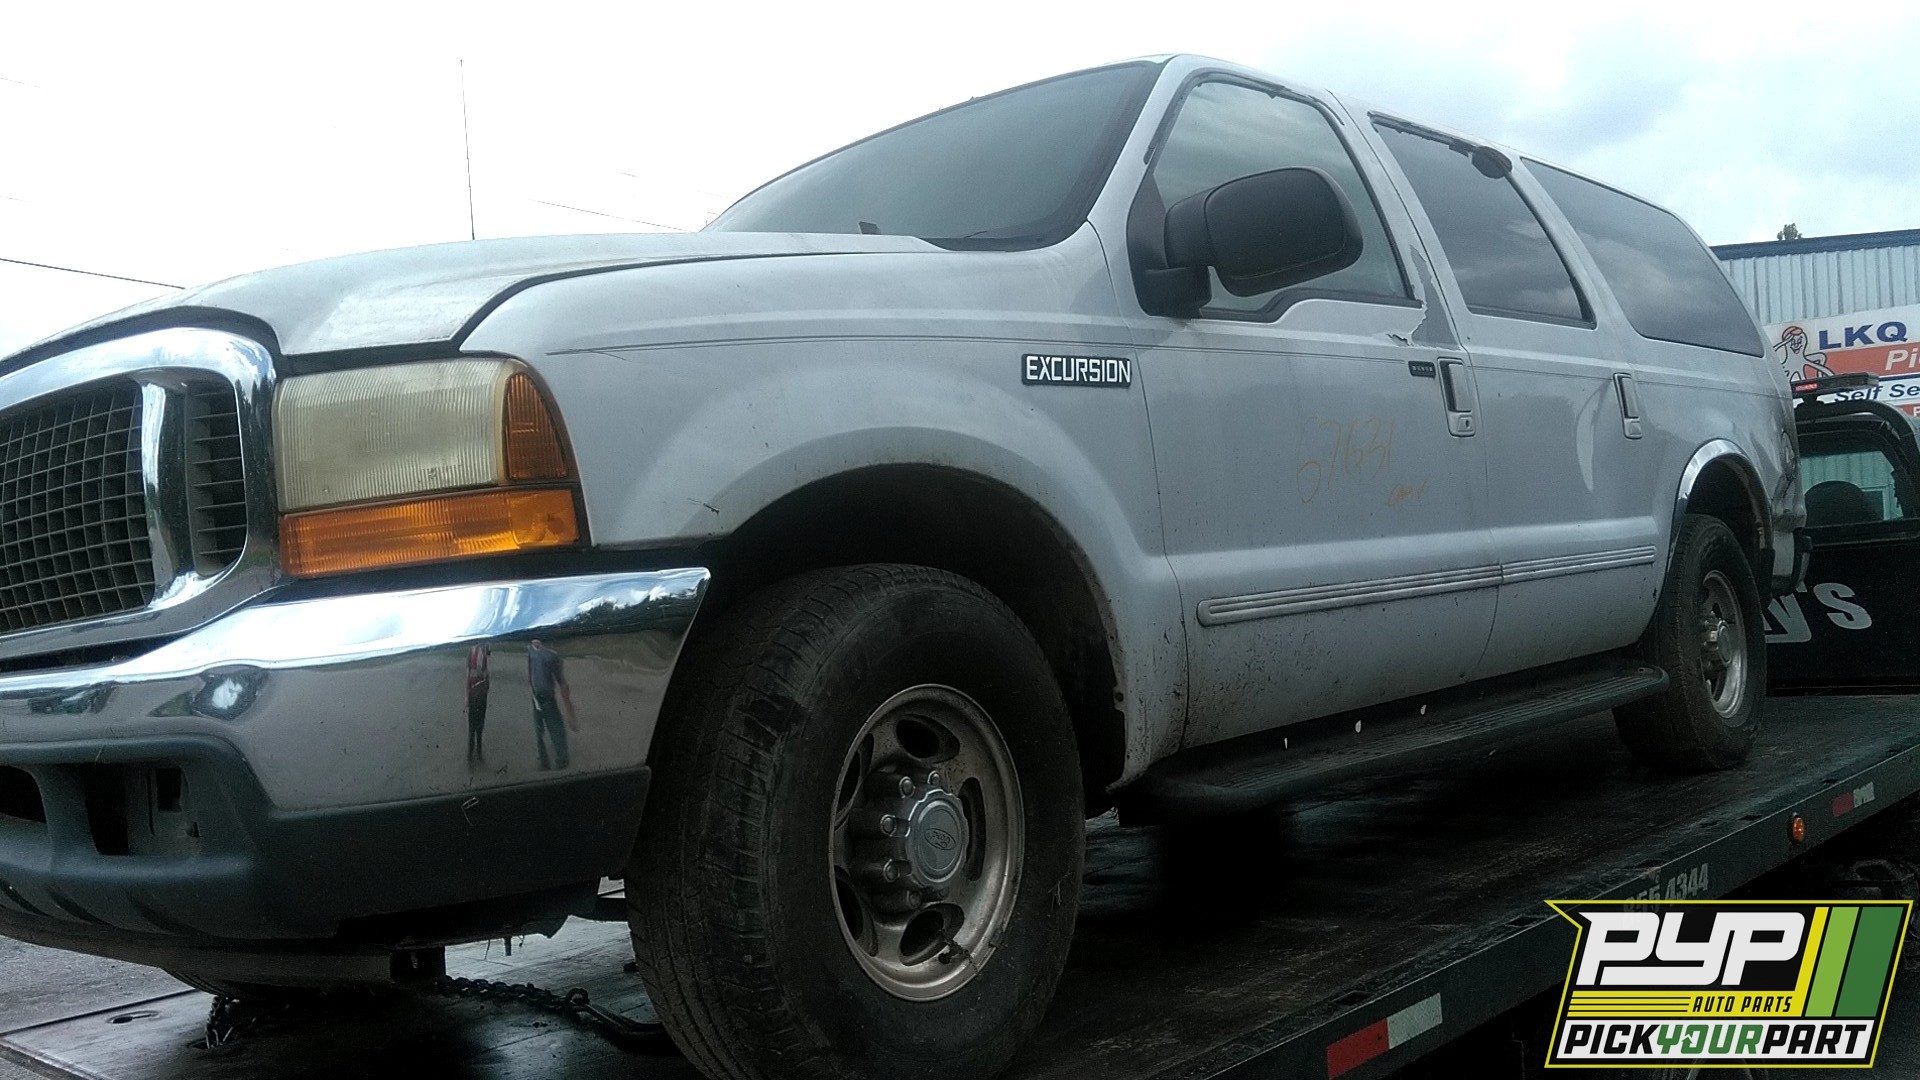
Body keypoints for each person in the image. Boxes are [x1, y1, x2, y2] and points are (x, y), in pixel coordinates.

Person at [527, 638, 577, 770]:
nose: (535, 642)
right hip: (536, 697)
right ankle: (544, 762)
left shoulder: (551, 655)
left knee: (556, 729)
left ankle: (562, 761)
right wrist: (531, 685)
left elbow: (562, 682)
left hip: (548, 697)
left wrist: (570, 712)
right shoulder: (530, 650)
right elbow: (530, 667)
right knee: (539, 730)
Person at [465, 642, 491, 768]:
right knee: (472, 725)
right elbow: (468, 672)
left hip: (482, 692)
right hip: (473, 691)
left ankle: (479, 750)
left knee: (480, 723)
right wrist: (466, 694)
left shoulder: (485, 650)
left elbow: (489, 656)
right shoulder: (471, 652)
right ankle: (470, 752)